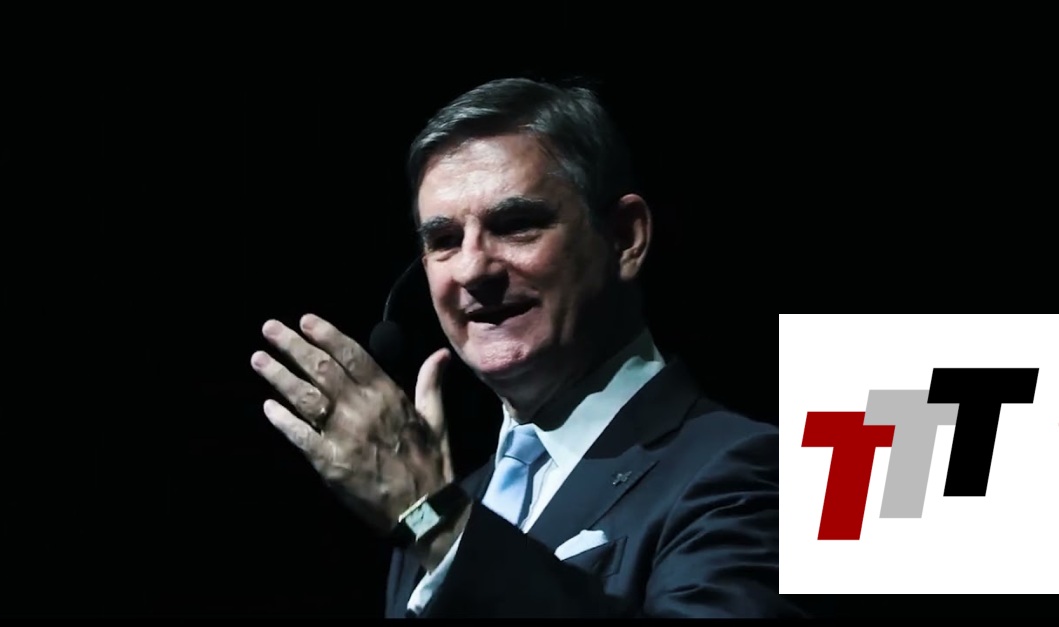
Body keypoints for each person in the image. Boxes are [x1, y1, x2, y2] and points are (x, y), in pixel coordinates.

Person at [249, 77, 798, 618]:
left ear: (625, 238)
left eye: (516, 225)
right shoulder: (438, 504)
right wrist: (431, 519)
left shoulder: (759, 471)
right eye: (444, 241)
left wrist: (440, 525)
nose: (473, 269)